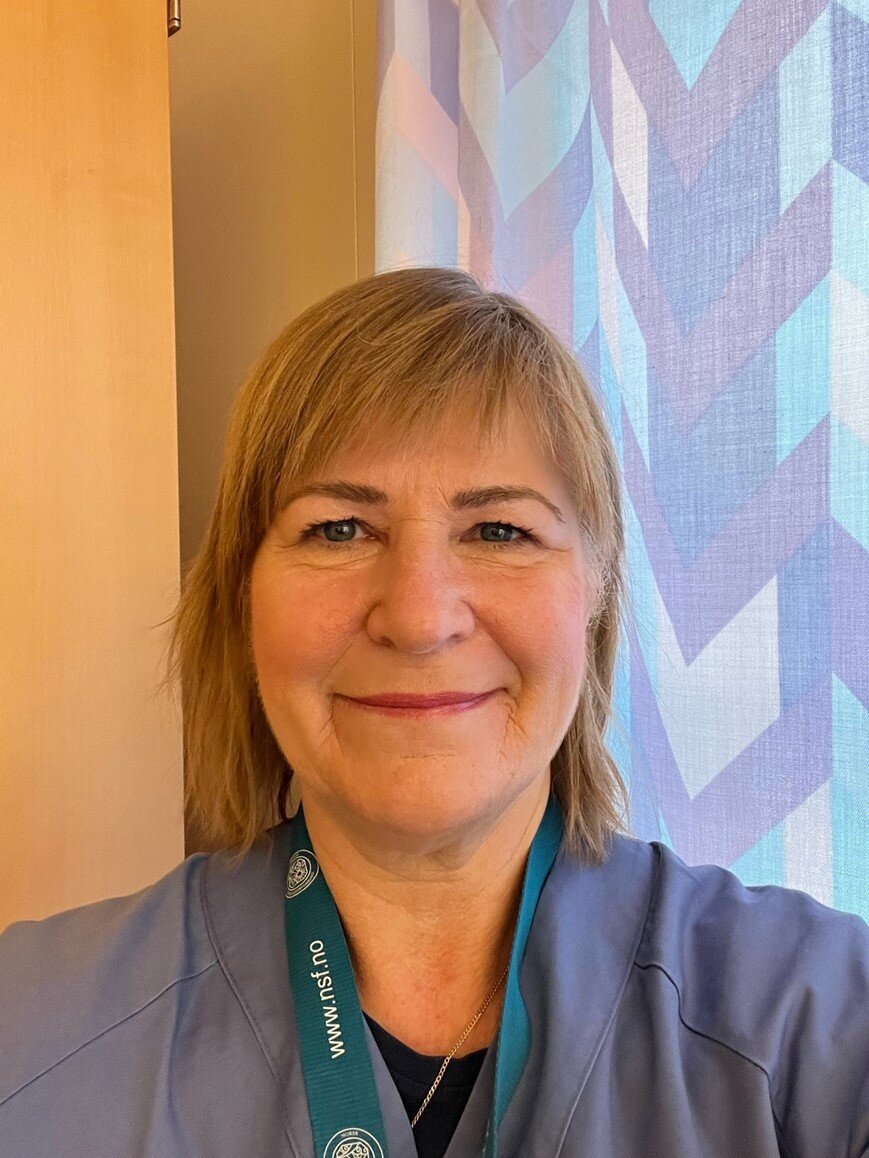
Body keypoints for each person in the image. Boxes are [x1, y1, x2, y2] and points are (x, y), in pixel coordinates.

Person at [1, 266, 867, 1158]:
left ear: (597, 591)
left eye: (499, 531)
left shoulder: (823, 1018)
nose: (418, 619)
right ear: (242, 597)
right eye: (338, 529)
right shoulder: (27, 1030)